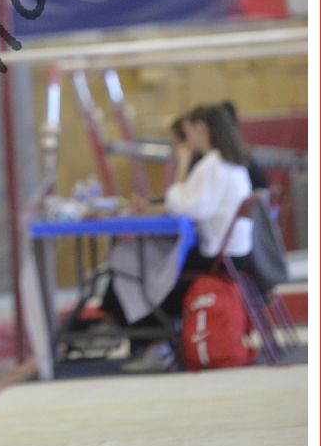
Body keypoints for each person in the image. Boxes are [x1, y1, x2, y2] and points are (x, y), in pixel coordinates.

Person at [100, 103, 254, 371]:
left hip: (218, 259)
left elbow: (184, 206)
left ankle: (155, 344)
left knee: (137, 267)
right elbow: (186, 204)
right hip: (234, 255)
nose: (187, 140)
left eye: (188, 132)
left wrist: (182, 163)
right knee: (142, 260)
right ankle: (140, 336)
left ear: (200, 128)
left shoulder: (212, 164)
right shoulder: (230, 163)